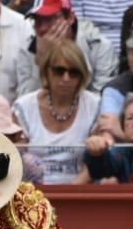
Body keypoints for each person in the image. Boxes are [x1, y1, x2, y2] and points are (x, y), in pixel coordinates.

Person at [12, 39, 99, 182]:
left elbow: (94, 164)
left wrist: (69, 191)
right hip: (33, 189)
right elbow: (17, 159)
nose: (66, 78)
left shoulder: (94, 105)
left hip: (80, 190)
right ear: (47, 71)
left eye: (74, 72)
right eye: (59, 71)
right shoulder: (24, 107)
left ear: (82, 75)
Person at [8, 0, 118, 96]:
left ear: (70, 18)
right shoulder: (27, 49)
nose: (42, 28)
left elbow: (101, 101)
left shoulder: (99, 47)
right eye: (37, 20)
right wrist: (42, 64)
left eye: (50, 19)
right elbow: (25, 102)